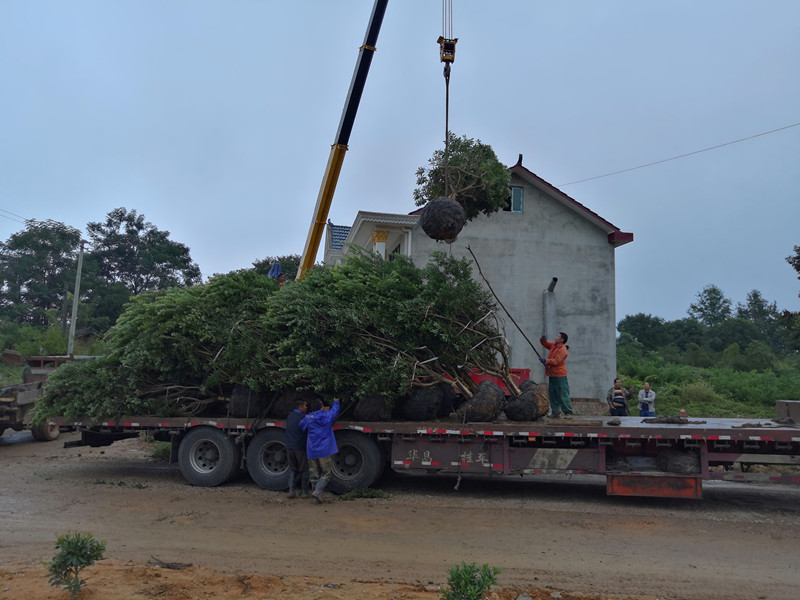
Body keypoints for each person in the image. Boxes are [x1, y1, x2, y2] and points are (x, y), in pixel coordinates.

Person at [299, 397, 341, 504]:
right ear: (322, 407)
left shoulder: (308, 418)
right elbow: (335, 411)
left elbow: (301, 425)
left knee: (314, 474)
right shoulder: (327, 415)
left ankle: (315, 499)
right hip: (325, 450)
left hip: (312, 449)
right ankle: (317, 492)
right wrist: (336, 402)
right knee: (326, 474)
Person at [539, 332, 572, 419]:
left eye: (558, 336)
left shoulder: (563, 350)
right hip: (552, 374)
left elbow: (556, 361)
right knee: (553, 394)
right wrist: (543, 339)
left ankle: (568, 412)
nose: (556, 337)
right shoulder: (554, 346)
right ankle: (555, 412)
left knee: (563, 393)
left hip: (560, 375)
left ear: (562, 340)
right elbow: (545, 343)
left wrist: (546, 360)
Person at [284, 399, 309, 499]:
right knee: (304, 469)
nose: (306, 408)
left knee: (292, 469)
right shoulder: (303, 418)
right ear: (300, 407)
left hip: (289, 446)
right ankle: (304, 492)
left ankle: (291, 491)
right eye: (305, 406)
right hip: (300, 447)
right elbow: (307, 429)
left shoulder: (290, 416)